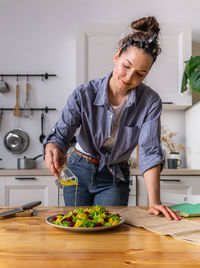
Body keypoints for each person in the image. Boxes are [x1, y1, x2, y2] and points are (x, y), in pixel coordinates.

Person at [43, 16, 181, 221]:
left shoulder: (150, 102)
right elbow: (61, 134)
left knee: (110, 232)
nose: (129, 77)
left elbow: (149, 151)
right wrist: (52, 148)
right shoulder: (84, 93)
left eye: (140, 74)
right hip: (78, 169)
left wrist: (154, 202)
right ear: (117, 56)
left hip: (115, 176)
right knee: (77, 228)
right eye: (126, 66)